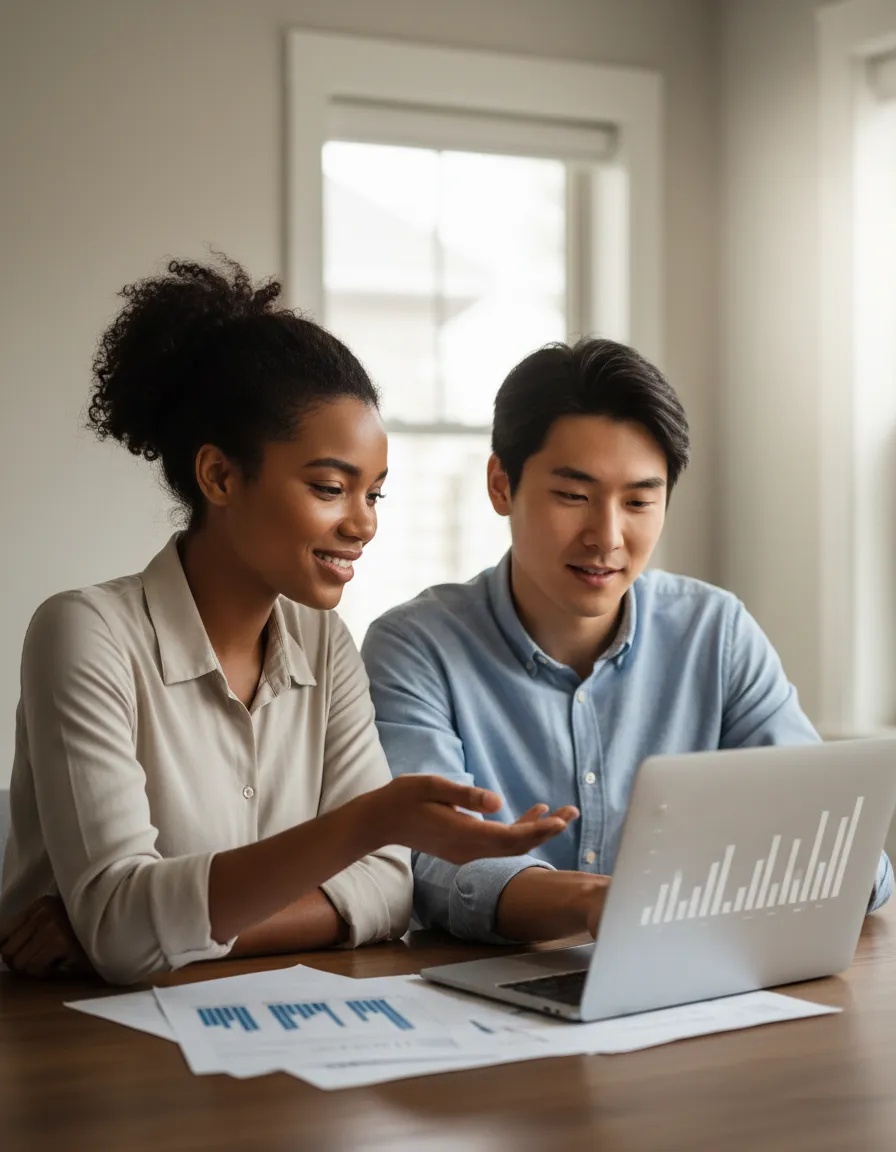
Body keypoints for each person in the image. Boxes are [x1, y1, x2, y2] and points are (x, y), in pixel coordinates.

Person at [0, 257, 576, 984]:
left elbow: (387, 890)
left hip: (261, 1020)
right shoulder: (85, 635)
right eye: (331, 487)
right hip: (71, 1032)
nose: (363, 524)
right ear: (219, 476)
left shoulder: (324, 644)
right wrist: (367, 824)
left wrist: (164, 928)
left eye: (375, 494)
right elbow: (123, 930)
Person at [362, 337, 893, 944]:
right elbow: (428, 860)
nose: (608, 536)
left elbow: (842, 849)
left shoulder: (715, 633)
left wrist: (835, 855)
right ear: (501, 484)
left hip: (690, 973)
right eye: (574, 496)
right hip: (483, 983)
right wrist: (595, 904)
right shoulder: (415, 647)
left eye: (639, 500)